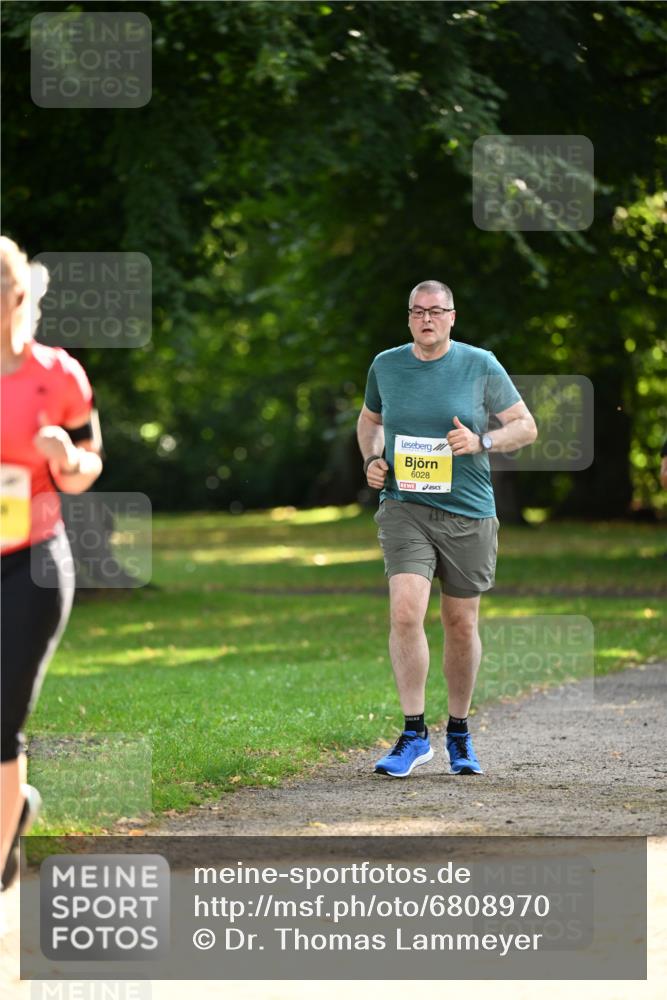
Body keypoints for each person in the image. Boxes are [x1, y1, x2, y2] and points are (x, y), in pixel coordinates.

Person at [357, 279, 537, 778]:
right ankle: (414, 733)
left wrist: (481, 440)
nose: (426, 319)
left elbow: (526, 426)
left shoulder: (480, 364)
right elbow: (369, 420)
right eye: (417, 311)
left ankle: (458, 731)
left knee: (461, 623)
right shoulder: (386, 365)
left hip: (468, 510)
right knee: (405, 610)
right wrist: (372, 458)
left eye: (436, 311)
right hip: (404, 507)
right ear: (409, 317)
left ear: (452, 316)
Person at [0, 236, 103, 889]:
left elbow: (90, 465)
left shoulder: (57, 374)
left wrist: (65, 455)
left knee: (0, 716)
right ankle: (14, 815)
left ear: (16, 298)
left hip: (30, 563)